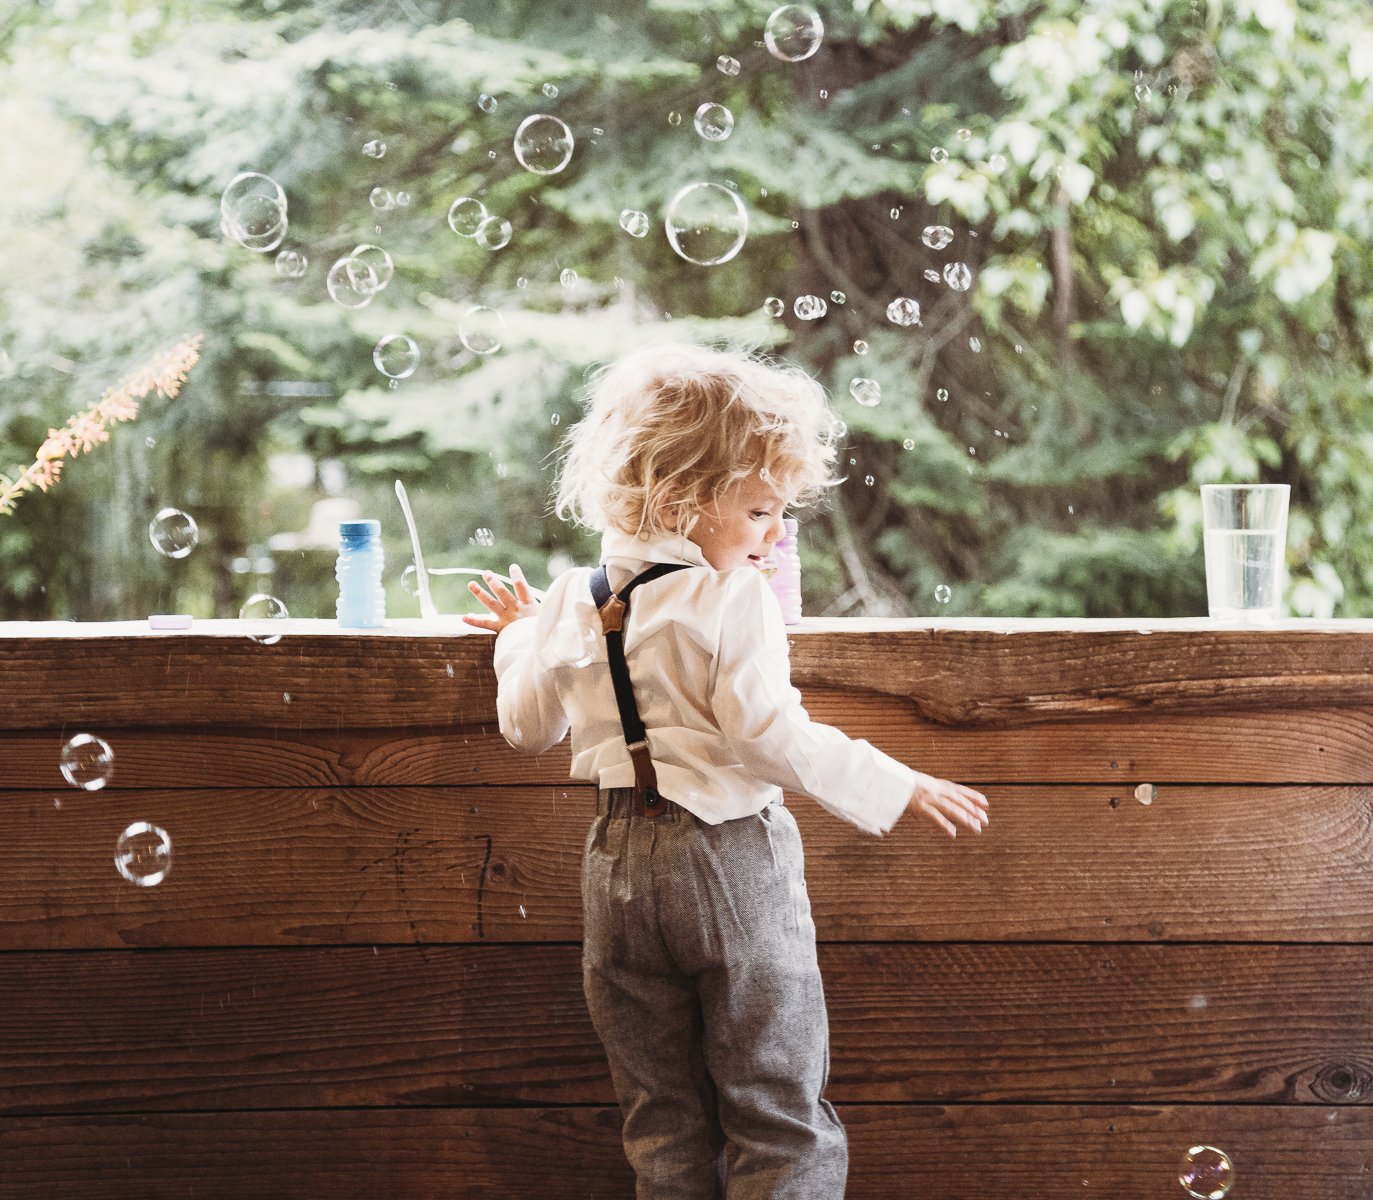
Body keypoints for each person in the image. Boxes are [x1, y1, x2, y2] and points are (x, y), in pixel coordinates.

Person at [463, 342, 989, 1199]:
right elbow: (768, 736)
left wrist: (518, 635)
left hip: (616, 867)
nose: (775, 536)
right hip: (728, 860)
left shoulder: (571, 596)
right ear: (681, 496)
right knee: (777, 1112)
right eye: (758, 513)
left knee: (661, 1119)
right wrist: (899, 783)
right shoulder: (726, 597)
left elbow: (525, 727)